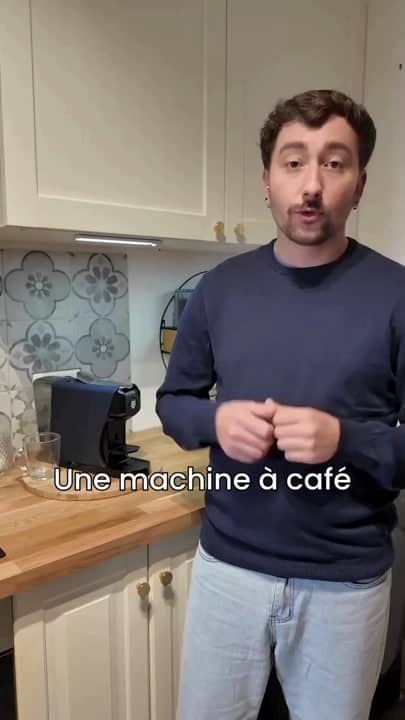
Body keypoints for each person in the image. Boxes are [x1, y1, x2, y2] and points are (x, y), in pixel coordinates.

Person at [155, 89, 405, 720]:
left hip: (345, 585)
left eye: (334, 163)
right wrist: (216, 420)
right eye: (293, 162)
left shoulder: (397, 294)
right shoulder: (219, 289)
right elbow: (174, 404)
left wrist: (344, 439)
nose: (311, 185)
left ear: (360, 184)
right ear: (267, 181)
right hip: (227, 571)